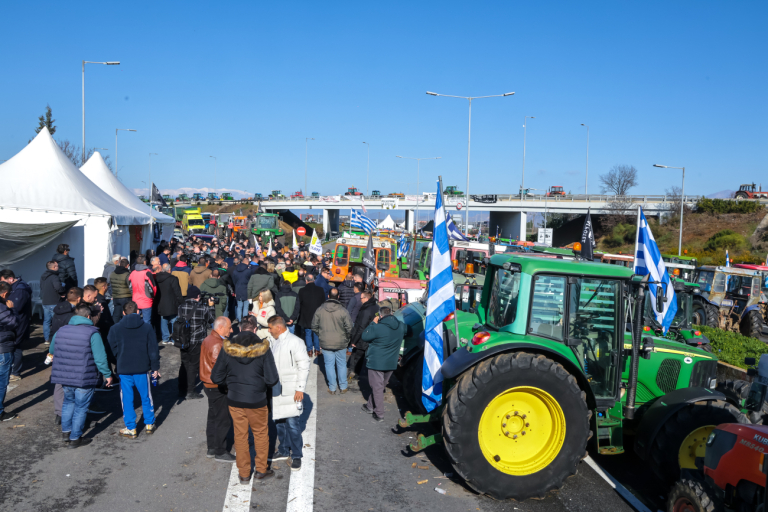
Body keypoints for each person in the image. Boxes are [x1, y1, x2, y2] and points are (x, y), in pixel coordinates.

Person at [211, 320, 279, 485]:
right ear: (255, 329)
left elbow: (216, 377)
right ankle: (261, 470)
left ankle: (244, 474)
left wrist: (231, 384)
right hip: (257, 400)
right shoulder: (263, 348)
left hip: (235, 399)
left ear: (238, 329)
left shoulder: (228, 348)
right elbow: (272, 379)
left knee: (240, 436)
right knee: (261, 435)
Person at [50, 304, 113, 447]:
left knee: (68, 402)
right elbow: (100, 357)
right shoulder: (92, 333)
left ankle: (66, 432)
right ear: (88, 317)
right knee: (81, 407)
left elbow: (52, 349)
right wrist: (107, 374)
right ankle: (75, 438)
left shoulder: (61, 330)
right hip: (84, 376)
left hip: (65, 375)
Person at [108, 301, 160, 438]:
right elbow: (153, 350)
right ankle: (149, 423)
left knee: (127, 398)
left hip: (124, 369)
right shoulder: (147, 328)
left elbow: (111, 349)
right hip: (142, 368)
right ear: (138, 312)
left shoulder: (115, 329)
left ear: (123, 313)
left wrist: (118, 360)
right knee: (146, 396)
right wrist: (155, 367)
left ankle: (131, 427)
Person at [267, 315, 309, 471]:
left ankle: (297, 455)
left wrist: (300, 388)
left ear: (278, 327)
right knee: (279, 421)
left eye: (270, 328)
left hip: (291, 390)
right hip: (277, 388)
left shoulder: (295, 342)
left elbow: (304, 365)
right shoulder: (274, 341)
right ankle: (283, 449)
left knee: (292, 424)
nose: (269, 331)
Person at [360, 307, 406, 422]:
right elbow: (409, 331)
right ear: (391, 314)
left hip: (377, 363)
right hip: (391, 363)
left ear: (380, 316)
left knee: (377, 387)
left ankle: (379, 414)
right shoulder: (400, 326)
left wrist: (372, 323)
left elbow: (364, 336)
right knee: (379, 387)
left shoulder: (377, 327)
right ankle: (370, 406)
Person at [199, 316, 235, 462]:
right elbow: (218, 370)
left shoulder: (209, 339)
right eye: (229, 327)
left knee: (213, 416)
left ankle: (212, 447)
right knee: (223, 418)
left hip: (208, 384)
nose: (231, 330)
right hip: (216, 386)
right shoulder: (218, 344)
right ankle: (220, 451)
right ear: (221, 327)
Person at [176, 286, 216, 399]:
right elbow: (212, 320)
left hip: (183, 340)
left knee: (184, 364)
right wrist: (211, 307)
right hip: (196, 341)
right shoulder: (203, 308)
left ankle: (181, 389)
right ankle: (190, 391)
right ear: (198, 296)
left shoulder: (181, 307)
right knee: (193, 365)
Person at [311, 287, 352, 395]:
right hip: (341, 341)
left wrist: (321, 335)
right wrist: (347, 339)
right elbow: (349, 328)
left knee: (329, 365)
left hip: (326, 341)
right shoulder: (343, 310)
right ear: (338, 297)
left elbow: (314, 326)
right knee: (341, 364)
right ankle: (343, 386)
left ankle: (332, 387)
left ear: (328, 296)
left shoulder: (320, 309)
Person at [0, 270, 31, 382]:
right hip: (12, 320)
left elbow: (15, 307)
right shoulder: (16, 288)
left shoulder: (20, 290)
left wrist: (5, 307)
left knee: (16, 345)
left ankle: (15, 373)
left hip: (19, 322)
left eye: (3, 281)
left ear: (11, 279)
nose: (2, 285)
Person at [347, 290, 380, 381]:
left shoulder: (366, 310)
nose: (360, 300)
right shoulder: (376, 307)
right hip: (372, 336)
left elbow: (361, 326)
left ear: (366, 298)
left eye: (361, 298)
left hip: (363, 337)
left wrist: (354, 340)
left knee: (355, 356)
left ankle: (353, 373)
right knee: (363, 356)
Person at [0, 282, 19, 421]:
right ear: (5, 294)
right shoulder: (2, 308)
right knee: (1, 381)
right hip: (2, 348)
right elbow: (13, 323)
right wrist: (12, 309)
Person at [297, 274, 325, 357]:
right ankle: (317, 350)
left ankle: (309, 350)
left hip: (306, 314)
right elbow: (323, 303)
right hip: (317, 314)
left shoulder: (302, 290)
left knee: (308, 332)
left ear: (306, 281)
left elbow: (299, 303)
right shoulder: (320, 290)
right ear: (314, 280)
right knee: (316, 332)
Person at [155, 263, 183, 345]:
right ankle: (174, 339)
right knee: (174, 320)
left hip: (161, 302)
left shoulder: (157, 278)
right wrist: (181, 301)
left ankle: (165, 338)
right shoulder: (173, 278)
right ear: (169, 269)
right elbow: (177, 292)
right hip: (172, 302)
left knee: (163, 320)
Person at [40, 261, 65, 345]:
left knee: (46, 321)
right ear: (54, 267)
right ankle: (55, 339)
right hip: (53, 302)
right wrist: (62, 293)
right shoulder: (54, 277)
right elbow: (58, 287)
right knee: (56, 321)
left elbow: (41, 287)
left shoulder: (43, 276)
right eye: (57, 266)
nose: (58, 267)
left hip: (45, 301)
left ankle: (46, 339)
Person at [128, 255, 157, 324]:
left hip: (135, 299)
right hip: (146, 300)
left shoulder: (133, 273)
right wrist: (152, 296)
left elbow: (130, 286)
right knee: (146, 321)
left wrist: (133, 294)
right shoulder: (147, 273)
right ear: (144, 262)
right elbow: (153, 288)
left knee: (136, 321)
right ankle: (146, 334)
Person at [230, 256, 253, 322]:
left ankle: (239, 320)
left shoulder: (235, 271)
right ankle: (245, 320)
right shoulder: (248, 271)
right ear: (247, 263)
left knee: (239, 306)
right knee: (246, 306)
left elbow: (234, 281)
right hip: (246, 290)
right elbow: (250, 281)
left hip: (238, 289)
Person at [109, 258, 132, 325]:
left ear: (119, 264)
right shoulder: (127, 274)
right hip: (126, 296)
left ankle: (114, 329)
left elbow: (110, 285)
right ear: (127, 265)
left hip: (116, 297)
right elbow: (130, 286)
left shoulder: (112, 273)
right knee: (125, 314)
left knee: (116, 315)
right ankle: (125, 329)